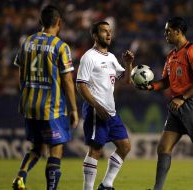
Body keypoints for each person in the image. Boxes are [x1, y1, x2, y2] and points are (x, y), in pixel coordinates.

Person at [140, 17, 193, 190]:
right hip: (176, 107)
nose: (165, 34)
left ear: (178, 31)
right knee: (163, 148)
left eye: (168, 31)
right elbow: (166, 82)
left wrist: (182, 97)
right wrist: (151, 86)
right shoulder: (171, 56)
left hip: (192, 105)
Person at [12, 5, 79, 190]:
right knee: (55, 148)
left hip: (29, 104)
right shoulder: (61, 46)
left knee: (37, 147)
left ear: (40, 22)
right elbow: (67, 80)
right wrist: (73, 109)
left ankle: (20, 176)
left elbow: (20, 74)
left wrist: (27, 95)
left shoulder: (27, 42)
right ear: (59, 23)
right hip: (51, 107)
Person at [76, 21, 134, 190]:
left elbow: (127, 80)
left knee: (125, 146)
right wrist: (96, 106)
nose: (109, 34)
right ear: (95, 35)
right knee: (96, 150)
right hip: (95, 110)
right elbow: (80, 85)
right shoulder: (89, 57)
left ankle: (106, 184)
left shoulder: (111, 57)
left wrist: (129, 64)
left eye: (110, 31)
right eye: (104, 31)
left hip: (111, 111)